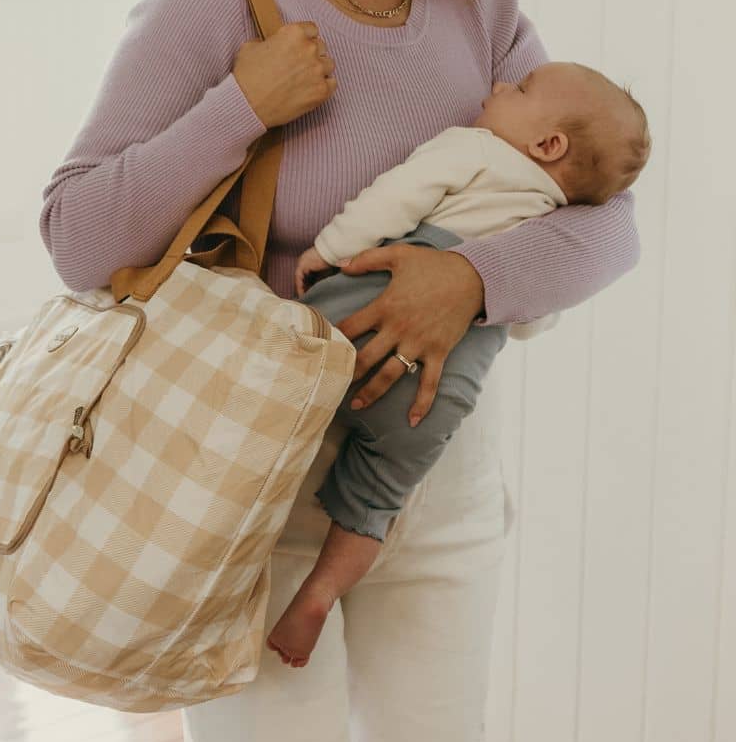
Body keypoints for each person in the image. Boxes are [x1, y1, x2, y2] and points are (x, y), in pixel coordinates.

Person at [38, 0, 640, 742]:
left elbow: (610, 232)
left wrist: (465, 280)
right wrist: (239, 110)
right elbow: (78, 234)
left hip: (436, 491)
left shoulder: (484, 18)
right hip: (253, 494)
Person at [265, 61, 651, 667]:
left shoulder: (475, 148)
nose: (499, 87)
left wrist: (330, 249)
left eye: (519, 91)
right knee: (379, 493)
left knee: (266, 390)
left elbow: (395, 197)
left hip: (360, 314)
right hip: (440, 389)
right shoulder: (554, 219)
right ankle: (319, 593)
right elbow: (529, 320)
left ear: (548, 143)